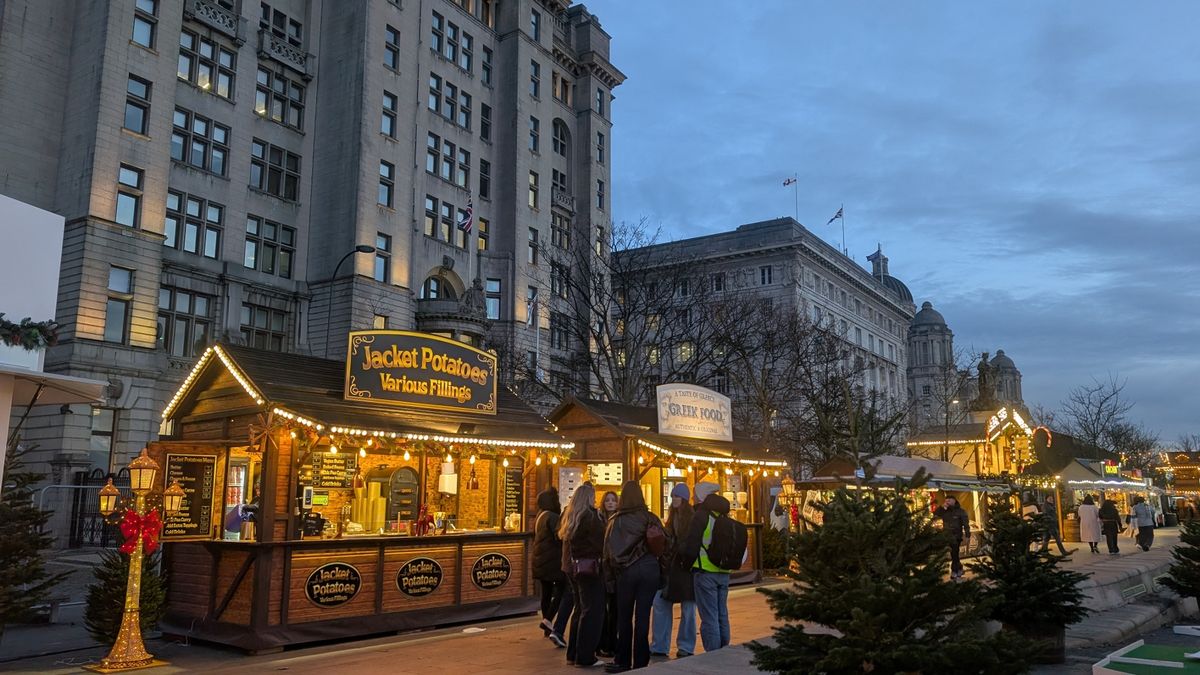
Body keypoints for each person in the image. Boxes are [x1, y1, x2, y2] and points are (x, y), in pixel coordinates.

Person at [603, 480, 665, 673]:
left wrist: (609, 581)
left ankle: (622, 660)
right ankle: (641, 660)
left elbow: (607, 553)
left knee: (624, 617)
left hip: (625, 572)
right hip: (649, 569)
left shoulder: (615, 521)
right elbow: (665, 546)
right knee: (643, 617)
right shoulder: (650, 518)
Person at [680, 481, 734, 654]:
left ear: (701, 497)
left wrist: (686, 565)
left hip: (704, 572)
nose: (693, 498)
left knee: (709, 615)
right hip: (723, 572)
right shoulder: (724, 516)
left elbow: (692, 545)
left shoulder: (701, 516)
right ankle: (724, 649)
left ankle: (713, 653)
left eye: (695, 495)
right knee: (722, 613)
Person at [559, 482, 609, 669]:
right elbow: (600, 542)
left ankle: (573, 653)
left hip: (576, 569)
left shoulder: (572, 516)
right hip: (591, 569)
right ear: (588, 497)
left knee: (580, 610)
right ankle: (585, 656)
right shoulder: (591, 517)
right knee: (592, 611)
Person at [650, 483, 696, 659]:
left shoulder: (691, 519)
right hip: (670, 569)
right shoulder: (672, 518)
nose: (674, 499)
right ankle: (660, 645)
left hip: (684, 569)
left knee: (688, 609)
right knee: (661, 604)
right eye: (673, 496)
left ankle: (685, 646)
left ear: (684, 499)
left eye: (677, 496)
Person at [533, 486, 572, 647]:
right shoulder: (553, 517)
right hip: (552, 560)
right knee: (564, 588)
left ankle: (547, 624)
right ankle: (548, 620)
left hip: (540, 560)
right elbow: (560, 536)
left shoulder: (540, 516)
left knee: (546, 592)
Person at [597, 490, 620, 659]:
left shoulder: (619, 520)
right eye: (608, 500)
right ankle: (603, 642)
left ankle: (612, 642)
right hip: (601, 569)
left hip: (614, 570)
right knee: (602, 608)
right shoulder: (599, 521)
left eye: (613, 500)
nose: (610, 503)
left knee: (614, 608)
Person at [933, 495, 970, 579]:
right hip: (947, 535)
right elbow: (935, 514)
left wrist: (967, 535)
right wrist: (942, 507)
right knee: (954, 554)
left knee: (954, 553)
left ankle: (954, 571)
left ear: (954, 500)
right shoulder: (944, 511)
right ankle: (959, 568)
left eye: (949, 500)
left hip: (957, 536)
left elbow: (966, 524)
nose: (947, 502)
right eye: (946, 501)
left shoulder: (961, 511)